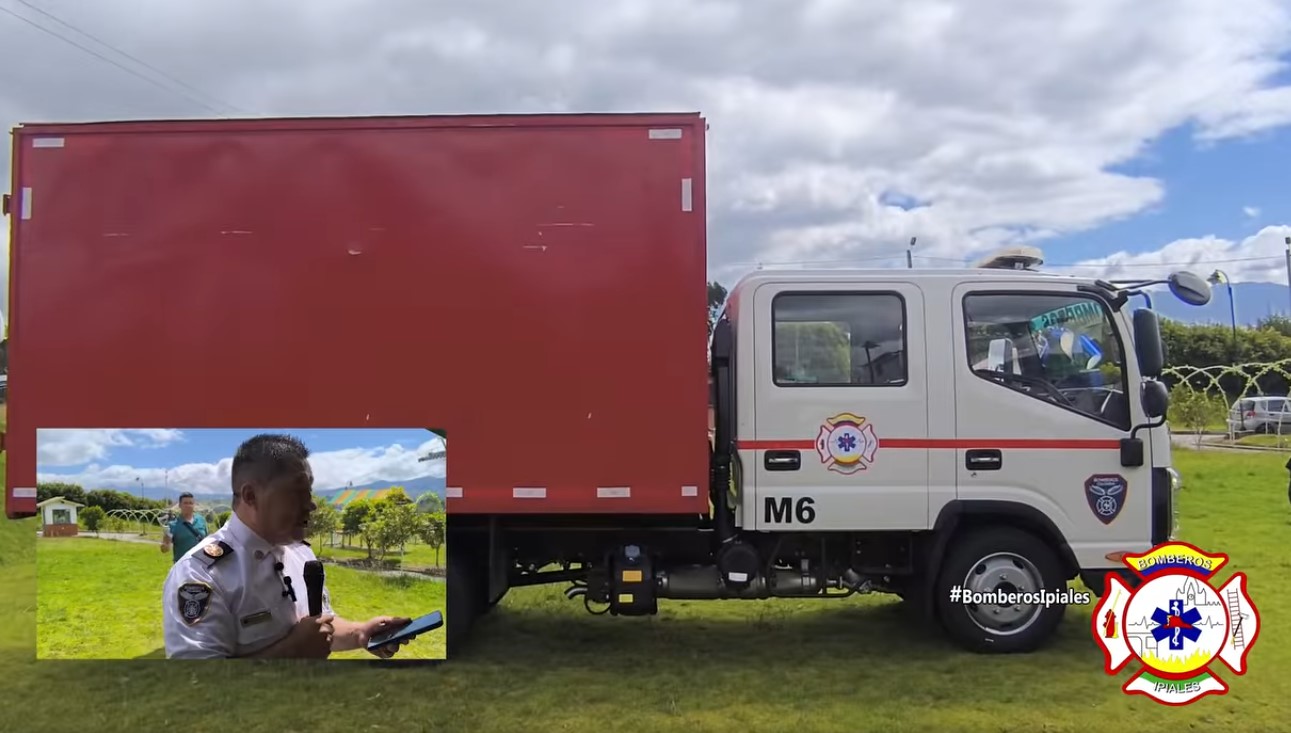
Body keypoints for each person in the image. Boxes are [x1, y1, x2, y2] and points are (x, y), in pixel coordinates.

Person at [161, 433, 413, 659]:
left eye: (309, 492)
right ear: (251, 496)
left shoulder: (301, 553)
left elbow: (320, 630)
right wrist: (292, 652)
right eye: (297, 493)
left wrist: (362, 633)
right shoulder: (199, 574)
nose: (311, 505)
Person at [161, 492, 208, 563]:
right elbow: (165, 550)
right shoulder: (173, 525)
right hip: (182, 565)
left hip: (201, 564)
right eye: (185, 503)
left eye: (191, 503)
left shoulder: (201, 520)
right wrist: (165, 544)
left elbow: (206, 540)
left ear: (194, 504)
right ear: (180, 505)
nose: (188, 505)